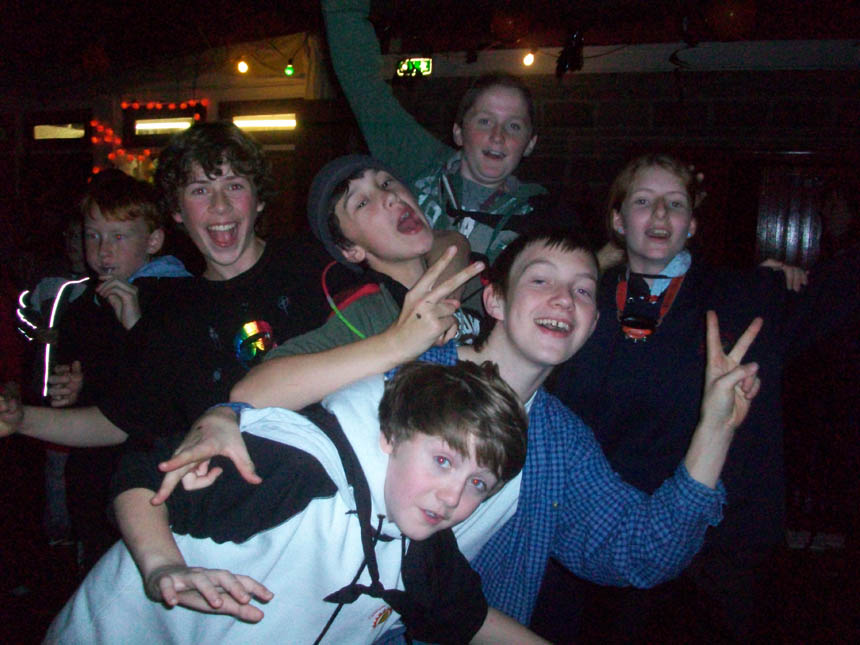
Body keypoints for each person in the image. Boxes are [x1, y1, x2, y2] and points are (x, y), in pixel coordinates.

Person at [156, 229, 764, 630]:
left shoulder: (559, 443)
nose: (564, 299)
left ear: (592, 320)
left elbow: (640, 553)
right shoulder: (413, 368)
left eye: (583, 291)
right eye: (541, 280)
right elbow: (257, 397)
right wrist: (222, 414)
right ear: (494, 301)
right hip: (259, 605)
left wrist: (714, 431)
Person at [544, 153, 860, 642]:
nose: (660, 214)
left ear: (691, 224)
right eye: (643, 201)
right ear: (618, 220)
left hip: (715, 555)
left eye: (675, 204)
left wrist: (785, 280)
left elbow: (837, 294)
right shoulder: (577, 302)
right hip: (607, 542)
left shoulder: (747, 296)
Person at [45, 360, 548, 644]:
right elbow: (140, 476)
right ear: (392, 436)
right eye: (442, 461)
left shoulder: (419, 545)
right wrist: (163, 567)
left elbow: (469, 617)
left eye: (479, 483)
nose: (452, 496)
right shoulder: (294, 467)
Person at [0, 121, 338, 462]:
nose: (220, 205)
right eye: (200, 190)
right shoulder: (171, 311)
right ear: (176, 210)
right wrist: (21, 419)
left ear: (259, 199)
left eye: (234, 185)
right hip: (230, 489)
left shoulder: (316, 266)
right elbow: (121, 421)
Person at [323, 0, 546, 267]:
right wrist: (345, 9)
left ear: (530, 143)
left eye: (514, 126)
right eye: (485, 121)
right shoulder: (418, 161)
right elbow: (362, 84)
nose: (498, 136)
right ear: (458, 132)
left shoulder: (541, 220)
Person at [49, 170, 191, 571]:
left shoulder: (176, 297)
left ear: (153, 241)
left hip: (149, 473)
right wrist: (72, 389)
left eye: (118, 237)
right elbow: (84, 385)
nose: (103, 250)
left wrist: (135, 326)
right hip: (92, 472)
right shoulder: (81, 307)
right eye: (93, 236)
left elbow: (171, 389)